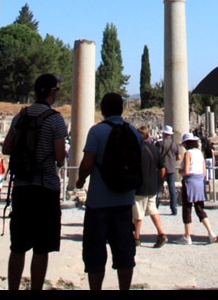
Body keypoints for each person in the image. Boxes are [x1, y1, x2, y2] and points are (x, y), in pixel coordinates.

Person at [3, 73, 68, 291]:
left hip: (21, 187)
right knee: (41, 247)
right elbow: (60, 156)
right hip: (45, 187)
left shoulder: (20, 116)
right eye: (57, 89)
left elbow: (7, 148)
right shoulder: (55, 119)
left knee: (18, 246)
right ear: (52, 92)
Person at [76, 92, 144, 290]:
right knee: (125, 253)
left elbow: (87, 163)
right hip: (124, 202)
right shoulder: (134, 133)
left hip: (98, 203)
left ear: (103, 109)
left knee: (95, 254)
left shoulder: (97, 132)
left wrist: (80, 180)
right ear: (122, 109)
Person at [177, 133, 217, 245]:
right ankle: (210, 232)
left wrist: (180, 171)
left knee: (187, 209)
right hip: (200, 181)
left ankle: (187, 236)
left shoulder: (188, 154)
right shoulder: (200, 153)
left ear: (186, 144)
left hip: (190, 182)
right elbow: (204, 171)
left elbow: (186, 171)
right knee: (200, 208)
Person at [133, 126, 168, 248]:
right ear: (148, 136)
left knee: (138, 213)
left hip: (140, 187)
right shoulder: (154, 148)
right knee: (153, 210)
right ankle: (161, 234)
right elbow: (162, 168)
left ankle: (136, 238)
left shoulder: (136, 150)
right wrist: (160, 182)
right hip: (153, 186)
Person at [157, 125, 181, 216]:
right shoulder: (175, 143)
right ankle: (174, 208)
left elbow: (158, 156)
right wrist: (172, 160)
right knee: (172, 189)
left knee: (159, 188)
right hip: (171, 169)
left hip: (162, 169)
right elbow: (179, 157)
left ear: (165, 133)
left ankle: (156, 207)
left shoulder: (161, 143)